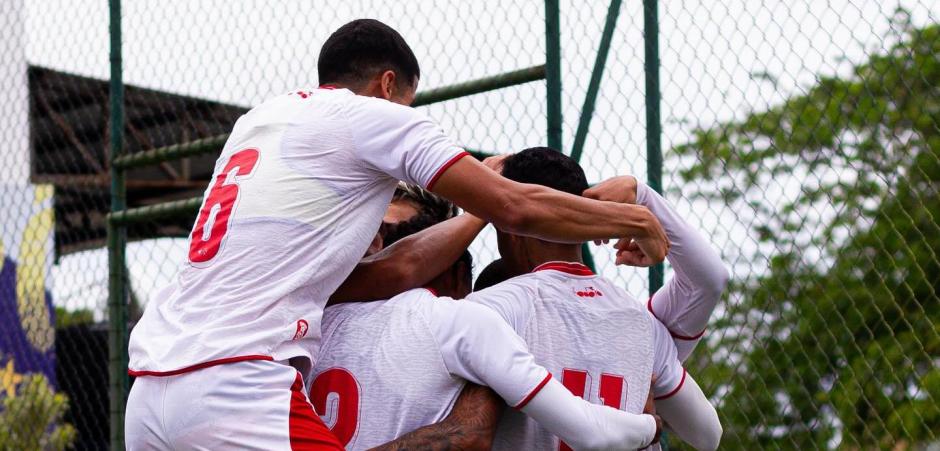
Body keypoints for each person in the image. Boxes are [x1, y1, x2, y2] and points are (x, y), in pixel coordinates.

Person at [125, 18, 670, 449]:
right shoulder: (375, 117)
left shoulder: (259, 123)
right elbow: (515, 207)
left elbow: (395, 270)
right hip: (237, 384)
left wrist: (474, 214)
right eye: (410, 103)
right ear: (389, 85)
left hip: (150, 388)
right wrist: (639, 217)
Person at [465, 147, 727, 450]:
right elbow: (708, 435)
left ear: (507, 223)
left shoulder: (488, 309)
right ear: (587, 213)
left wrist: (481, 204)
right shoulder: (643, 324)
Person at [311, 249, 663, 450]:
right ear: (458, 276)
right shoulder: (467, 319)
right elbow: (469, 434)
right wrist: (651, 426)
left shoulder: (300, 320)